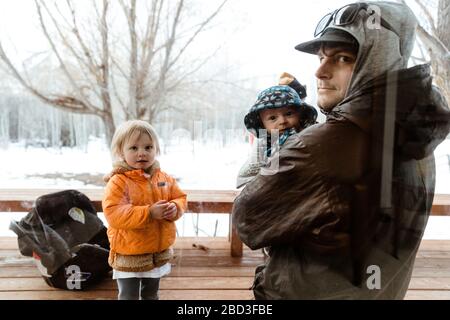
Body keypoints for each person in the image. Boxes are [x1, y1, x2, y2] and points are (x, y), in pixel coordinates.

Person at [232, 1, 450, 299]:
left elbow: (248, 219)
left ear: (378, 59)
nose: (320, 71)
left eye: (343, 58)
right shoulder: (416, 132)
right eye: (321, 57)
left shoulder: (321, 146)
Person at [102, 120, 187, 300]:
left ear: (156, 149)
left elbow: (179, 197)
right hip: (129, 252)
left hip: (156, 252)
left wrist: (175, 207)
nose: (142, 153)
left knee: (151, 293)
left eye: (148, 147)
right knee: (129, 295)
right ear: (120, 152)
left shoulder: (163, 178)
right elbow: (114, 213)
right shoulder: (119, 181)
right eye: (133, 148)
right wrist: (148, 213)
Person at [237, 72, 317, 188]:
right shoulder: (263, 143)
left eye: (289, 114)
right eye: (273, 118)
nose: (282, 121)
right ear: (262, 124)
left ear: (301, 114)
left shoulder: (310, 134)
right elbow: (247, 177)